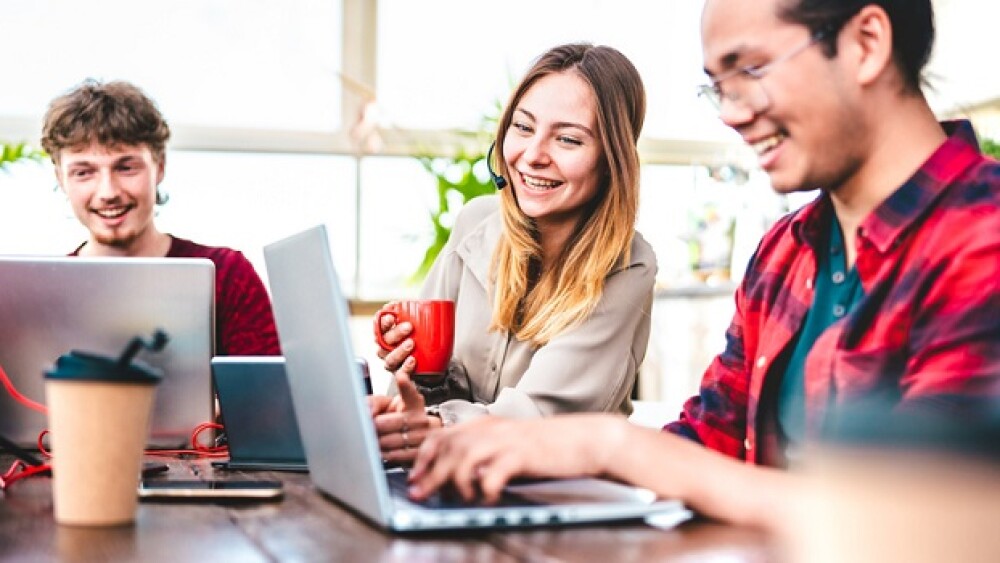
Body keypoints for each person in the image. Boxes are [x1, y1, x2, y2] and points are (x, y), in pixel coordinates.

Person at [405, 0, 1000, 528]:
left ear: (866, 44)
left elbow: (921, 520)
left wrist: (610, 445)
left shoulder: (983, 237)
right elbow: (707, 445)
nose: (732, 113)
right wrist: (546, 450)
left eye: (751, 71)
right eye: (719, 85)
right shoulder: (786, 252)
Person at [371, 43, 657, 463]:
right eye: (523, 128)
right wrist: (418, 373)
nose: (533, 156)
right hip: (451, 480)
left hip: (559, 499)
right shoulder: (476, 226)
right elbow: (409, 402)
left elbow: (538, 419)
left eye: (568, 139)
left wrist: (432, 427)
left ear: (611, 160)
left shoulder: (627, 265)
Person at [40, 79, 281, 356]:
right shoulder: (44, 295)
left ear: (160, 166)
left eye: (126, 167)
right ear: (61, 178)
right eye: (84, 172)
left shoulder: (226, 276)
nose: (108, 192)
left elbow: (266, 397)